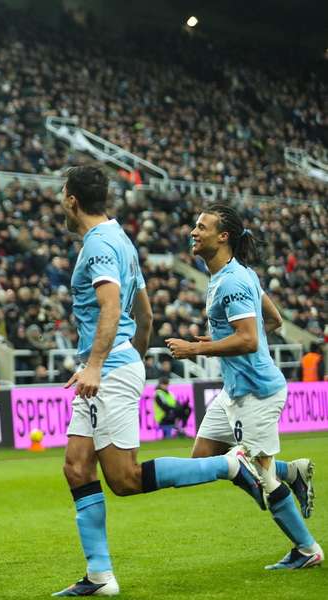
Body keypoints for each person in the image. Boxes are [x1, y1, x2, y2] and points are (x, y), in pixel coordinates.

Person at [53, 167, 266, 596]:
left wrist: (101, 364)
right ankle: (100, 576)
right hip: (112, 364)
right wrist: (134, 357)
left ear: (72, 199)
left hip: (104, 368)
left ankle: (230, 464)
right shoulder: (121, 239)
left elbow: (112, 308)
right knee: (77, 468)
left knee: (125, 479)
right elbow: (144, 312)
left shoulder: (97, 246)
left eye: (62, 194)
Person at [166, 202, 321, 569]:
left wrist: (198, 348)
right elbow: (275, 318)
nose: (193, 231)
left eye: (201, 227)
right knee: (203, 462)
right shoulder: (236, 274)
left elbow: (250, 338)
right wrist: (219, 343)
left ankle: (307, 549)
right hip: (233, 391)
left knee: (261, 476)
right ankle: (291, 471)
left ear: (223, 237)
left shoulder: (233, 280)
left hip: (258, 393)